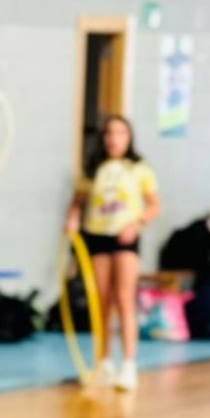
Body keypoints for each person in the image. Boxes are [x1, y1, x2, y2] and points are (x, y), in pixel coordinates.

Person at [66, 115, 158, 393]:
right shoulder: (93, 170)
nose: (114, 139)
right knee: (101, 302)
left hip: (124, 237)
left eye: (120, 133)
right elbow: (76, 204)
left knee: (124, 298)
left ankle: (129, 364)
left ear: (128, 137)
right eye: (109, 133)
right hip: (97, 236)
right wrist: (72, 219)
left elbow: (153, 205)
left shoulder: (139, 169)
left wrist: (137, 223)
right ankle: (103, 361)